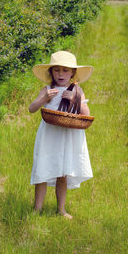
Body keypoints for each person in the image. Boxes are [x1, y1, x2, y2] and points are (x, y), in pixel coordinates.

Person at [29, 50, 94, 219]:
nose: (61, 74)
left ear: (73, 72)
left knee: (62, 173)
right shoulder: (48, 89)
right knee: (42, 170)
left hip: (67, 136)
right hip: (49, 136)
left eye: (65, 70)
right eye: (56, 70)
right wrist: (43, 99)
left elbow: (86, 113)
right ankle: (37, 209)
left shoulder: (77, 90)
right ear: (51, 72)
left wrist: (75, 99)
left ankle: (61, 210)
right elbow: (32, 108)